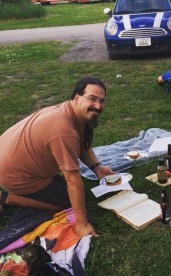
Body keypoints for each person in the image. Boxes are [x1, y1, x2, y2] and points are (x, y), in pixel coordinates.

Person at [0, 76, 115, 237]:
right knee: (69, 202)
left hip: (9, 162)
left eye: (102, 101)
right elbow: (72, 179)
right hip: (18, 177)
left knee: (74, 196)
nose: (98, 106)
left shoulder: (71, 112)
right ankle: (12, 198)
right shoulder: (63, 130)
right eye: (92, 99)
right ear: (76, 98)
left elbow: (81, 143)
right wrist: (81, 224)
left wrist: (97, 168)